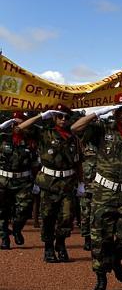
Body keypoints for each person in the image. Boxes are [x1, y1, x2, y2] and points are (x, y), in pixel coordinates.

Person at [71, 93, 122, 290]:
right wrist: (97, 114)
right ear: (113, 111)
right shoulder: (101, 129)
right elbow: (75, 128)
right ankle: (101, 278)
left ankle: (114, 258)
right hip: (104, 192)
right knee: (100, 238)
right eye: (120, 109)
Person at [17, 105, 82, 263]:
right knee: (48, 217)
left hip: (67, 183)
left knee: (67, 217)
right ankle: (48, 247)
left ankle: (60, 243)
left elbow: (78, 162)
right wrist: (42, 115)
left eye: (66, 117)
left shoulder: (74, 138)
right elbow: (19, 129)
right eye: (59, 116)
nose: (63, 119)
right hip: (49, 183)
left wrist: (81, 183)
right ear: (54, 117)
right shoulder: (44, 132)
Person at [0, 112, 39, 249]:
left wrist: (36, 182)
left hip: (23, 180)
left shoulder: (31, 140)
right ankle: (4, 237)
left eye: (21, 123)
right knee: (2, 211)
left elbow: (35, 163)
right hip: (3, 180)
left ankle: (16, 229)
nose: (19, 126)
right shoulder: (3, 137)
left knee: (24, 210)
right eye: (15, 123)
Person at [79, 140, 98, 251]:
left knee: (98, 214)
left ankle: (96, 239)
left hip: (100, 186)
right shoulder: (81, 143)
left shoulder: (104, 144)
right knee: (85, 213)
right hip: (86, 184)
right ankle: (87, 238)